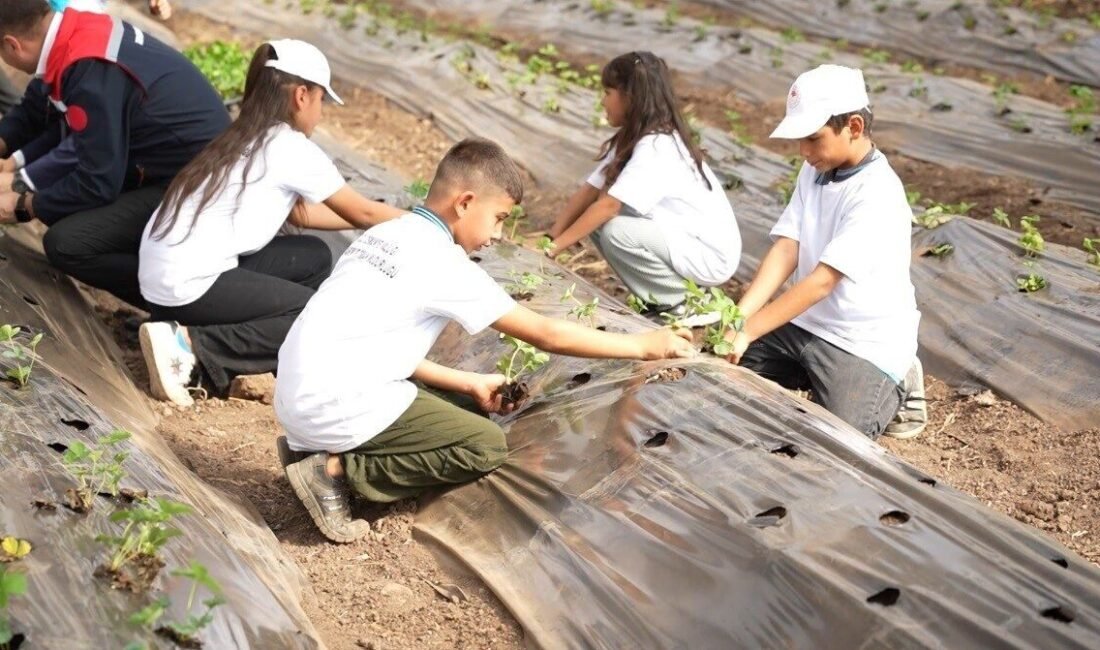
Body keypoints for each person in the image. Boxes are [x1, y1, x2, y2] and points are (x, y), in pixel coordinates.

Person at [275, 137, 696, 543]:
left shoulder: (387, 234)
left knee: (459, 404)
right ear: (465, 203)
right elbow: (545, 333)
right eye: (498, 218)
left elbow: (381, 348)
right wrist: (646, 346)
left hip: (300, 391)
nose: (498, 235)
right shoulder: (444, 263)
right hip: (331, 403)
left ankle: (310, 451)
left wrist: (470, 382)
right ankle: (334, 470)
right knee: (483, 445)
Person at [136, 40, 403, 407]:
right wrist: (431, 223)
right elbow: (363, 213)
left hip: (163, 278)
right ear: (302, 95)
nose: (321, 113)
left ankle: (262, 353)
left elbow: (300, 214)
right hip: (187, 286)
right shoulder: (291, 147)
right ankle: (193, 350)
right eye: (322, 100)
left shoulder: (244, 132)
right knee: (312, 316)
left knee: (311, 256)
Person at [722, 64, 925, 439]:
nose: (803, 150)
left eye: (813, 138)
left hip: (862, 340)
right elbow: (787, 248)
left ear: (854, 127)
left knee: (839, 439)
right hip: (806, 324)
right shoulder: (814, 170)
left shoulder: (877, 193)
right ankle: (811, 370)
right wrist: (738, 319)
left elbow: (822, 282)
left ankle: (901, 378)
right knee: (722, 373)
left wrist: (749, 330)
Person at [0, 0, 229, 309]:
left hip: (201, 183)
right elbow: (37, 109)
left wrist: (22, 204)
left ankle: (187, 304)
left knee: (67, 242)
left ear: (11, 45)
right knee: (65, 205)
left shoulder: (88, 69)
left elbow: (97, 182)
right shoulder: (73, 30)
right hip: (177, 164)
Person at [545, 51, 741, 323]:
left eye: (607, 92)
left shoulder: (658, 147)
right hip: (683, 240)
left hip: (708, 253)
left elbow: (609, 206)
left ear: (629, 96)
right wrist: (550, 239)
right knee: (598, 218)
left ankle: (683, 303)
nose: (602, 101)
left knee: (616, 229)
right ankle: (665, 298)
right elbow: (590, 190)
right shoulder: (636, 138)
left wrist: (552, 251)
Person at [0, 0, 172, 192]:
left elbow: (91, 146)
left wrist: (22, 180)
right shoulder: (62, 48)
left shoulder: (85, 66)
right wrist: (16, 162)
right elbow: (54, 122)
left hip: (164, 170)